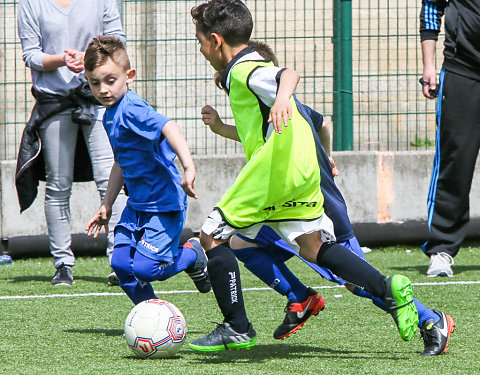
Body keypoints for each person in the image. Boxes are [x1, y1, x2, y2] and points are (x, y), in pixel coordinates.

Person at [189, 0, 419, 353]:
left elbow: (288, 75)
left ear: (216, 40)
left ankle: (237, 326)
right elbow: (262, 132)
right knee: (314, 248)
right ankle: (389, 289)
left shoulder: (244, 70)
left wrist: (283, 97)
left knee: (211, 235)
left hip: (271, 175)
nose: (201, 49)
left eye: (200, 41)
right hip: (299, 173)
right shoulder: (245, 72)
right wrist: (221, 127)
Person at [83, 35, 211, 305]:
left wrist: (188, 166)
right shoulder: (109, 115)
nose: (103, 89)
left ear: (129, 76)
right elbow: (121, 161)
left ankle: (192, 254)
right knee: (120, 264)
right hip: (137, 206)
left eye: (110, 80)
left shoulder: (132, 109)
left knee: (145, 269)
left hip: (163, 205)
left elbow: (170, 126)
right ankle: (148, 314)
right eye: (95, 83)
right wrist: (106, 204)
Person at [16, 0, 127, 286]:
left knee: (110, 180)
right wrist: (61, 60)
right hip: (54, 103)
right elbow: (31, 55)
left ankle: (121, 260)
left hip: (98, 100)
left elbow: (118, 43)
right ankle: (62, 264)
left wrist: (89, 59)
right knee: (57, 184)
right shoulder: (30, 4)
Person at [419, 1, 480, 278]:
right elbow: (432, 8)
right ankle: (441, 249)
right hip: (462, 71)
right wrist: (428, 66)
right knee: (455, 164)